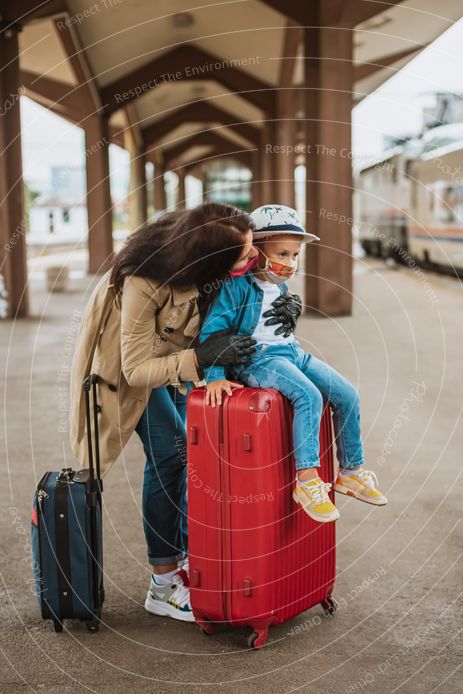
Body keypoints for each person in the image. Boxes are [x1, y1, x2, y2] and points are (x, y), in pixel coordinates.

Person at [70, 203, 300, 621]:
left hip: (177, 363)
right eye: (246, 255)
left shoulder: (215, 266)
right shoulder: (145, 280)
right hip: (129, 374)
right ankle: (162, 584)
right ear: (208, 261)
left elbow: (249, 298)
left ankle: (185, 561)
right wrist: (200, 358)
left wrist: (282, 305)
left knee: (190, 456)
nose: (254, 260)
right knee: (172, 457)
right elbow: (135, 369)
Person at [199, 204, 388, 524]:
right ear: (255, 251)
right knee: (309, 395)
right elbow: (213, 334)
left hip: (292, 353)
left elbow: (275, 329)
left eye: (295, 256)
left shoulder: (280, 285)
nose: (290, 263)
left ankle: (351, 472)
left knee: (347, 395)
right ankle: (307, 480)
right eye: (282, 254)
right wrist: (215, 374)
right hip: (257, 360)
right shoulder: (234, 288)